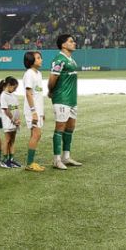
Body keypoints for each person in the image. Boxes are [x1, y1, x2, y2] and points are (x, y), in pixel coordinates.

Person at [48, 33, 82, 170]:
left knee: (70, 127)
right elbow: (52, 80)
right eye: (71, 41)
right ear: (63, 45)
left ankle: (66, 157)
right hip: (61, 98)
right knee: (60, 128)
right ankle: (56, 159)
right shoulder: (59, 60)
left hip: (72, 99)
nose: (74, 43)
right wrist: (51, 91)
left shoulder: (72, 60)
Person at [21, 51, 48, 172]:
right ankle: (30, 163)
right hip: (32, 110)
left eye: (41, 57)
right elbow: (28, 93)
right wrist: (33, 112)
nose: (41, 59)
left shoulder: (38, 73)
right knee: (36, 134)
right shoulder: (29, 74)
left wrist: (41, 112)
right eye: (38, 58)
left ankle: (30, 162)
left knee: (36, 134)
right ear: (31, 60)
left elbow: (38, 94)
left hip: (38, 110)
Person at [0, 76, 22, 169]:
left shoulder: (13, 95)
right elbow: (6, 110)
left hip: (15, 122)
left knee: (12, 141)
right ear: (8, 85)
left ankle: (11, 160)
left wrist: (18, 119)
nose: (15, 89)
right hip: (8, 122)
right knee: (7, 140)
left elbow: (16, 108)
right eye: (14, 87)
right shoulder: (3, 95)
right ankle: (4, 160)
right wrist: (14, 120)